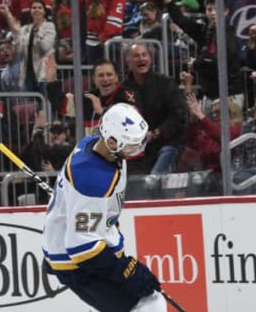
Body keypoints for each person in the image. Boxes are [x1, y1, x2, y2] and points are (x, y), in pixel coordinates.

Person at [42, 103, 166, 312]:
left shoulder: (93, 144)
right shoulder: (93, 181)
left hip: (82, 249)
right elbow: (81, 247)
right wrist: (125, 270)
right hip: (78, 264)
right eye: (131, 145)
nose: (137, 150)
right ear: (111, 141)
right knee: (149, 304)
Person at [123, 42, 187, 175]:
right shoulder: (124, 89)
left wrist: (156, 133)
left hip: (168, 144)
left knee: (152, 181)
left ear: (150, 59)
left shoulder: (166, 83)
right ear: (128, 61)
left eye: (144, 55)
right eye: (136, 56)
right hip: (138, 149)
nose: (141, 59)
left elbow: (179, 115)